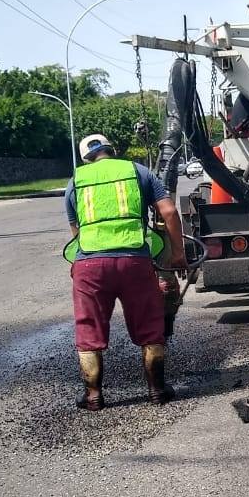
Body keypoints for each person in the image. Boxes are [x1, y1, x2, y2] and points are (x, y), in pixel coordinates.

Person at [66, 133, 187, 410]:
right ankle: (157, 390)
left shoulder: (77, 180)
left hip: (90, 265)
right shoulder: (138, 171)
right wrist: (177, 253)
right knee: (150, 326)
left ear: (86, 157)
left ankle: (93, 396)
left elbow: (76, 233)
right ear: (112, 149)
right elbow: (168, 212)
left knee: (89, 329)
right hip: (134, 260)